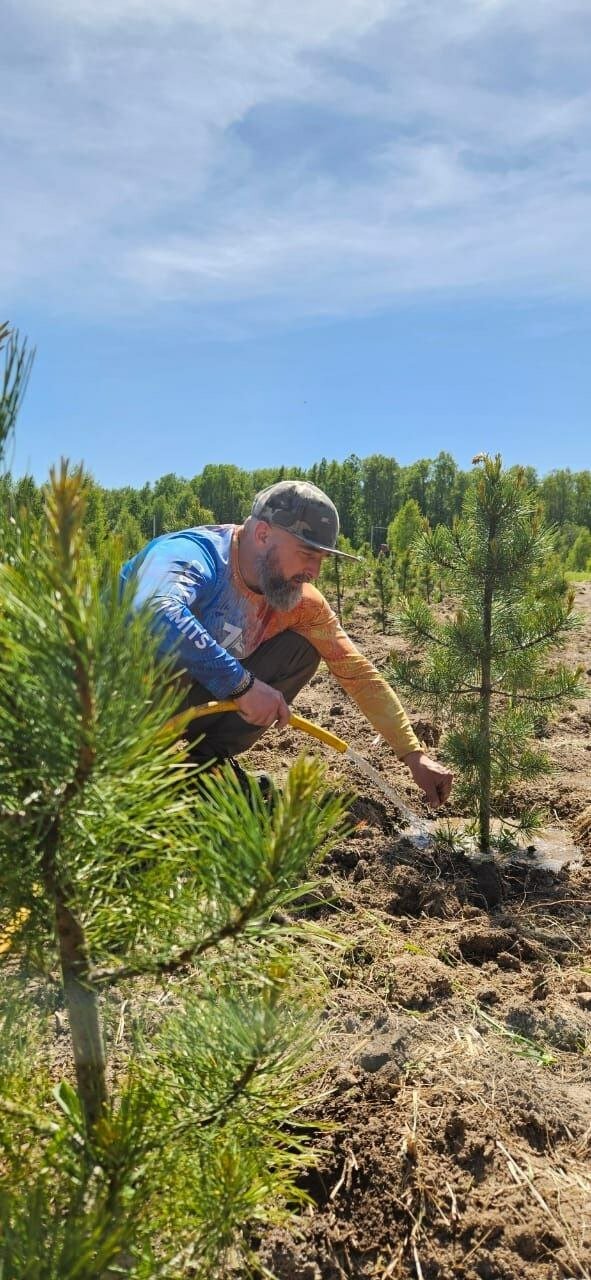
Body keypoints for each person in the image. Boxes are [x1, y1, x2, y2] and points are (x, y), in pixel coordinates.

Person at [121, 481, 453, 807]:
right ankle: (130, 767)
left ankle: (204, 767)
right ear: (262, 534)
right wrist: (241, 685)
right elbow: (154, 609)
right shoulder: (193, 554)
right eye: (307, 553)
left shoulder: (301, 602)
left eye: (322, 558)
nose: (314, 571)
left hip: (193, 698)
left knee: (301, 650)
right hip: (118, 703)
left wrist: (413, 755)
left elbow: (358, 674)